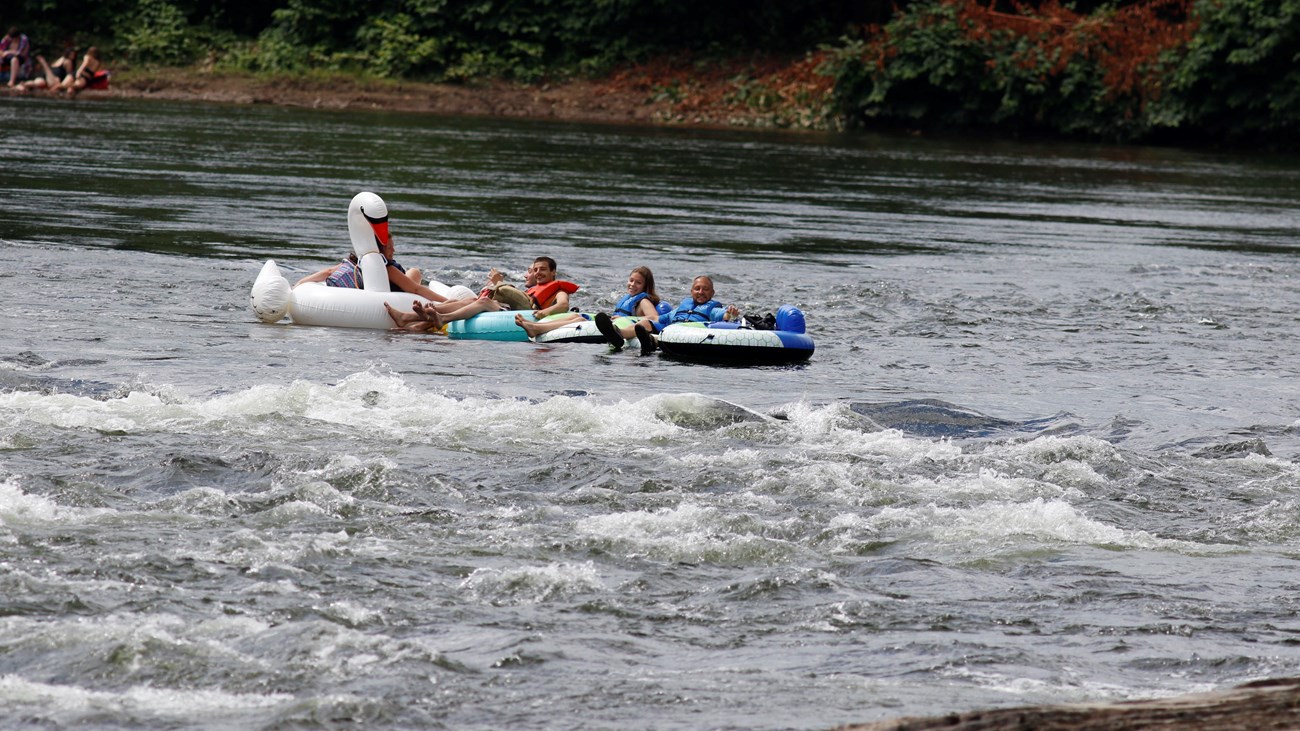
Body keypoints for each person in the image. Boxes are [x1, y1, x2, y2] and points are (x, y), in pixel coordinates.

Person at [294, 210, 452, 305]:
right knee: (415, 272)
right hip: (397, 292)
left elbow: (328, 271)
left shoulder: (357, 262)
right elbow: (416, 289)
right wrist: (448, 302)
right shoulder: (388, 269)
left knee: (414, 272)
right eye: (390, 248)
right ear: (380, 251)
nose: (394, 250)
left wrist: (299, 284)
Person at [385, 256, 578, 332]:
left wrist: (544, 313)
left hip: (527, 317)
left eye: (543, 270)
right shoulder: (531, 289)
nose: (538, 273)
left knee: (484, 301)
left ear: (553, 272)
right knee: (471, 300)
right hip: (509, 311)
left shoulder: (559, 290)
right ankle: (410, 320)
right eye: (535, 270)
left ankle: (441, 318)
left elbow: (562, 306)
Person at [515, 266, 661, 348]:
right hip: (617, 322)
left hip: (626, 325)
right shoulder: (628, 298)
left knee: (580, 320)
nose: (632, 285)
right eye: (631, 280)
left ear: (646, 286)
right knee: (575, 316)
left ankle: (536, 328)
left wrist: (629, 317)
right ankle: (536, 327)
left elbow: (654, 318)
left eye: (638, 283)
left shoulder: (643, 301)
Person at [631, 275, 740, 355]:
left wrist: (731, 313)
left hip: (691, 336)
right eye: (697, 289)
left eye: (706, 289)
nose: (701, 292)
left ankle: (653, 341)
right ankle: (619, 334)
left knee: (661, 334)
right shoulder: (681, 308)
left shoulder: (713, 309)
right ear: (691, 291)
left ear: (712, 293)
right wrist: (629, 318)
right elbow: (658, 318)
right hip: (671, 331)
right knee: (644, 323)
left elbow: (725, 315)